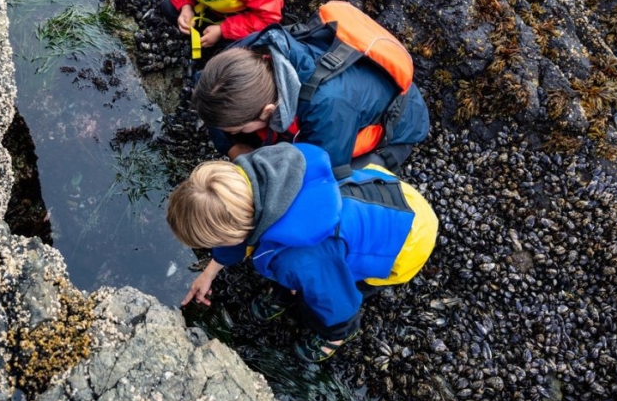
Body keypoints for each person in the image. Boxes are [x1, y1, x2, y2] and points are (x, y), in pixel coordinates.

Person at [166, 142, 438, 362]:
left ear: (234, 232)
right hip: (386, 194)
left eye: (215, 241)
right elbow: (238, 235)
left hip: (407, 241)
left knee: (320, 296)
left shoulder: (300, 258)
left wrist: (336, 325)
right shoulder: (261, 176)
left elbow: (338, 300)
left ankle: (337, 335)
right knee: (302, 272)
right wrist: (210, 272)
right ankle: (292, 289)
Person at [190, 26, 430, 171]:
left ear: (268, 111)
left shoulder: (327, 108)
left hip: (399, 124)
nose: (237, 132)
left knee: (342, 185)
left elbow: (322, 177)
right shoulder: (245, 54)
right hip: (345, 91)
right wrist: (232, 147)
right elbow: (206, 93)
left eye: (240, 128)